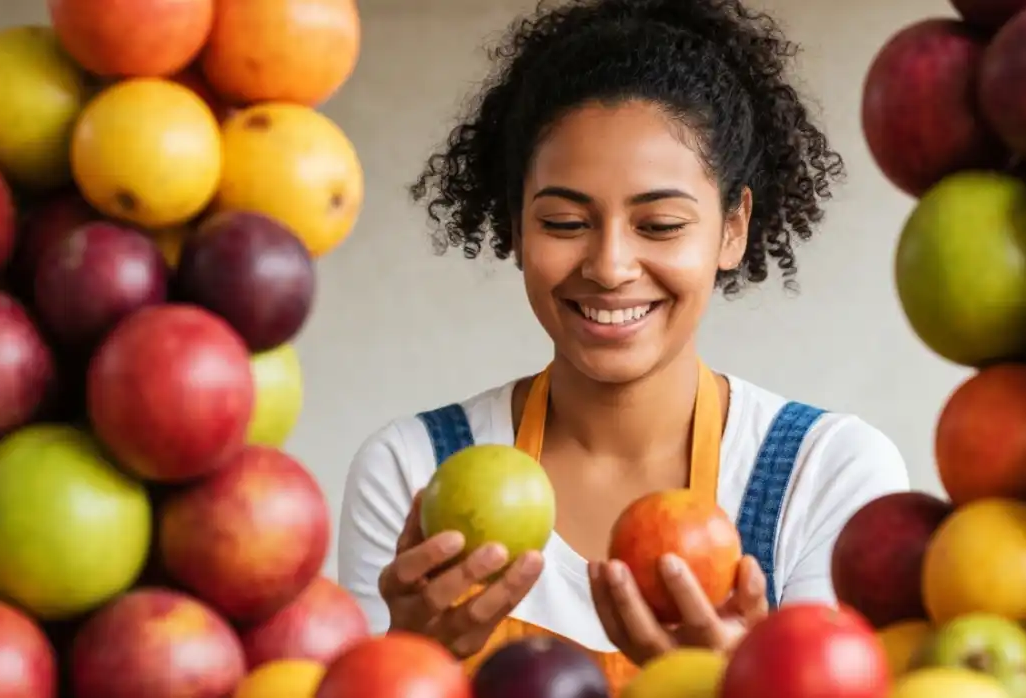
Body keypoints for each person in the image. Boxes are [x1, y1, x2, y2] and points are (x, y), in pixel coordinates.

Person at [337, 0, 910, 690]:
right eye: (564, 220)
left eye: (661, 225)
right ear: (515, 226)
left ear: (733, 228)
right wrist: (406, 659)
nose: (609, 267)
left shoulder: (828, 475)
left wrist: (755, 679)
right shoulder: (412, 473)